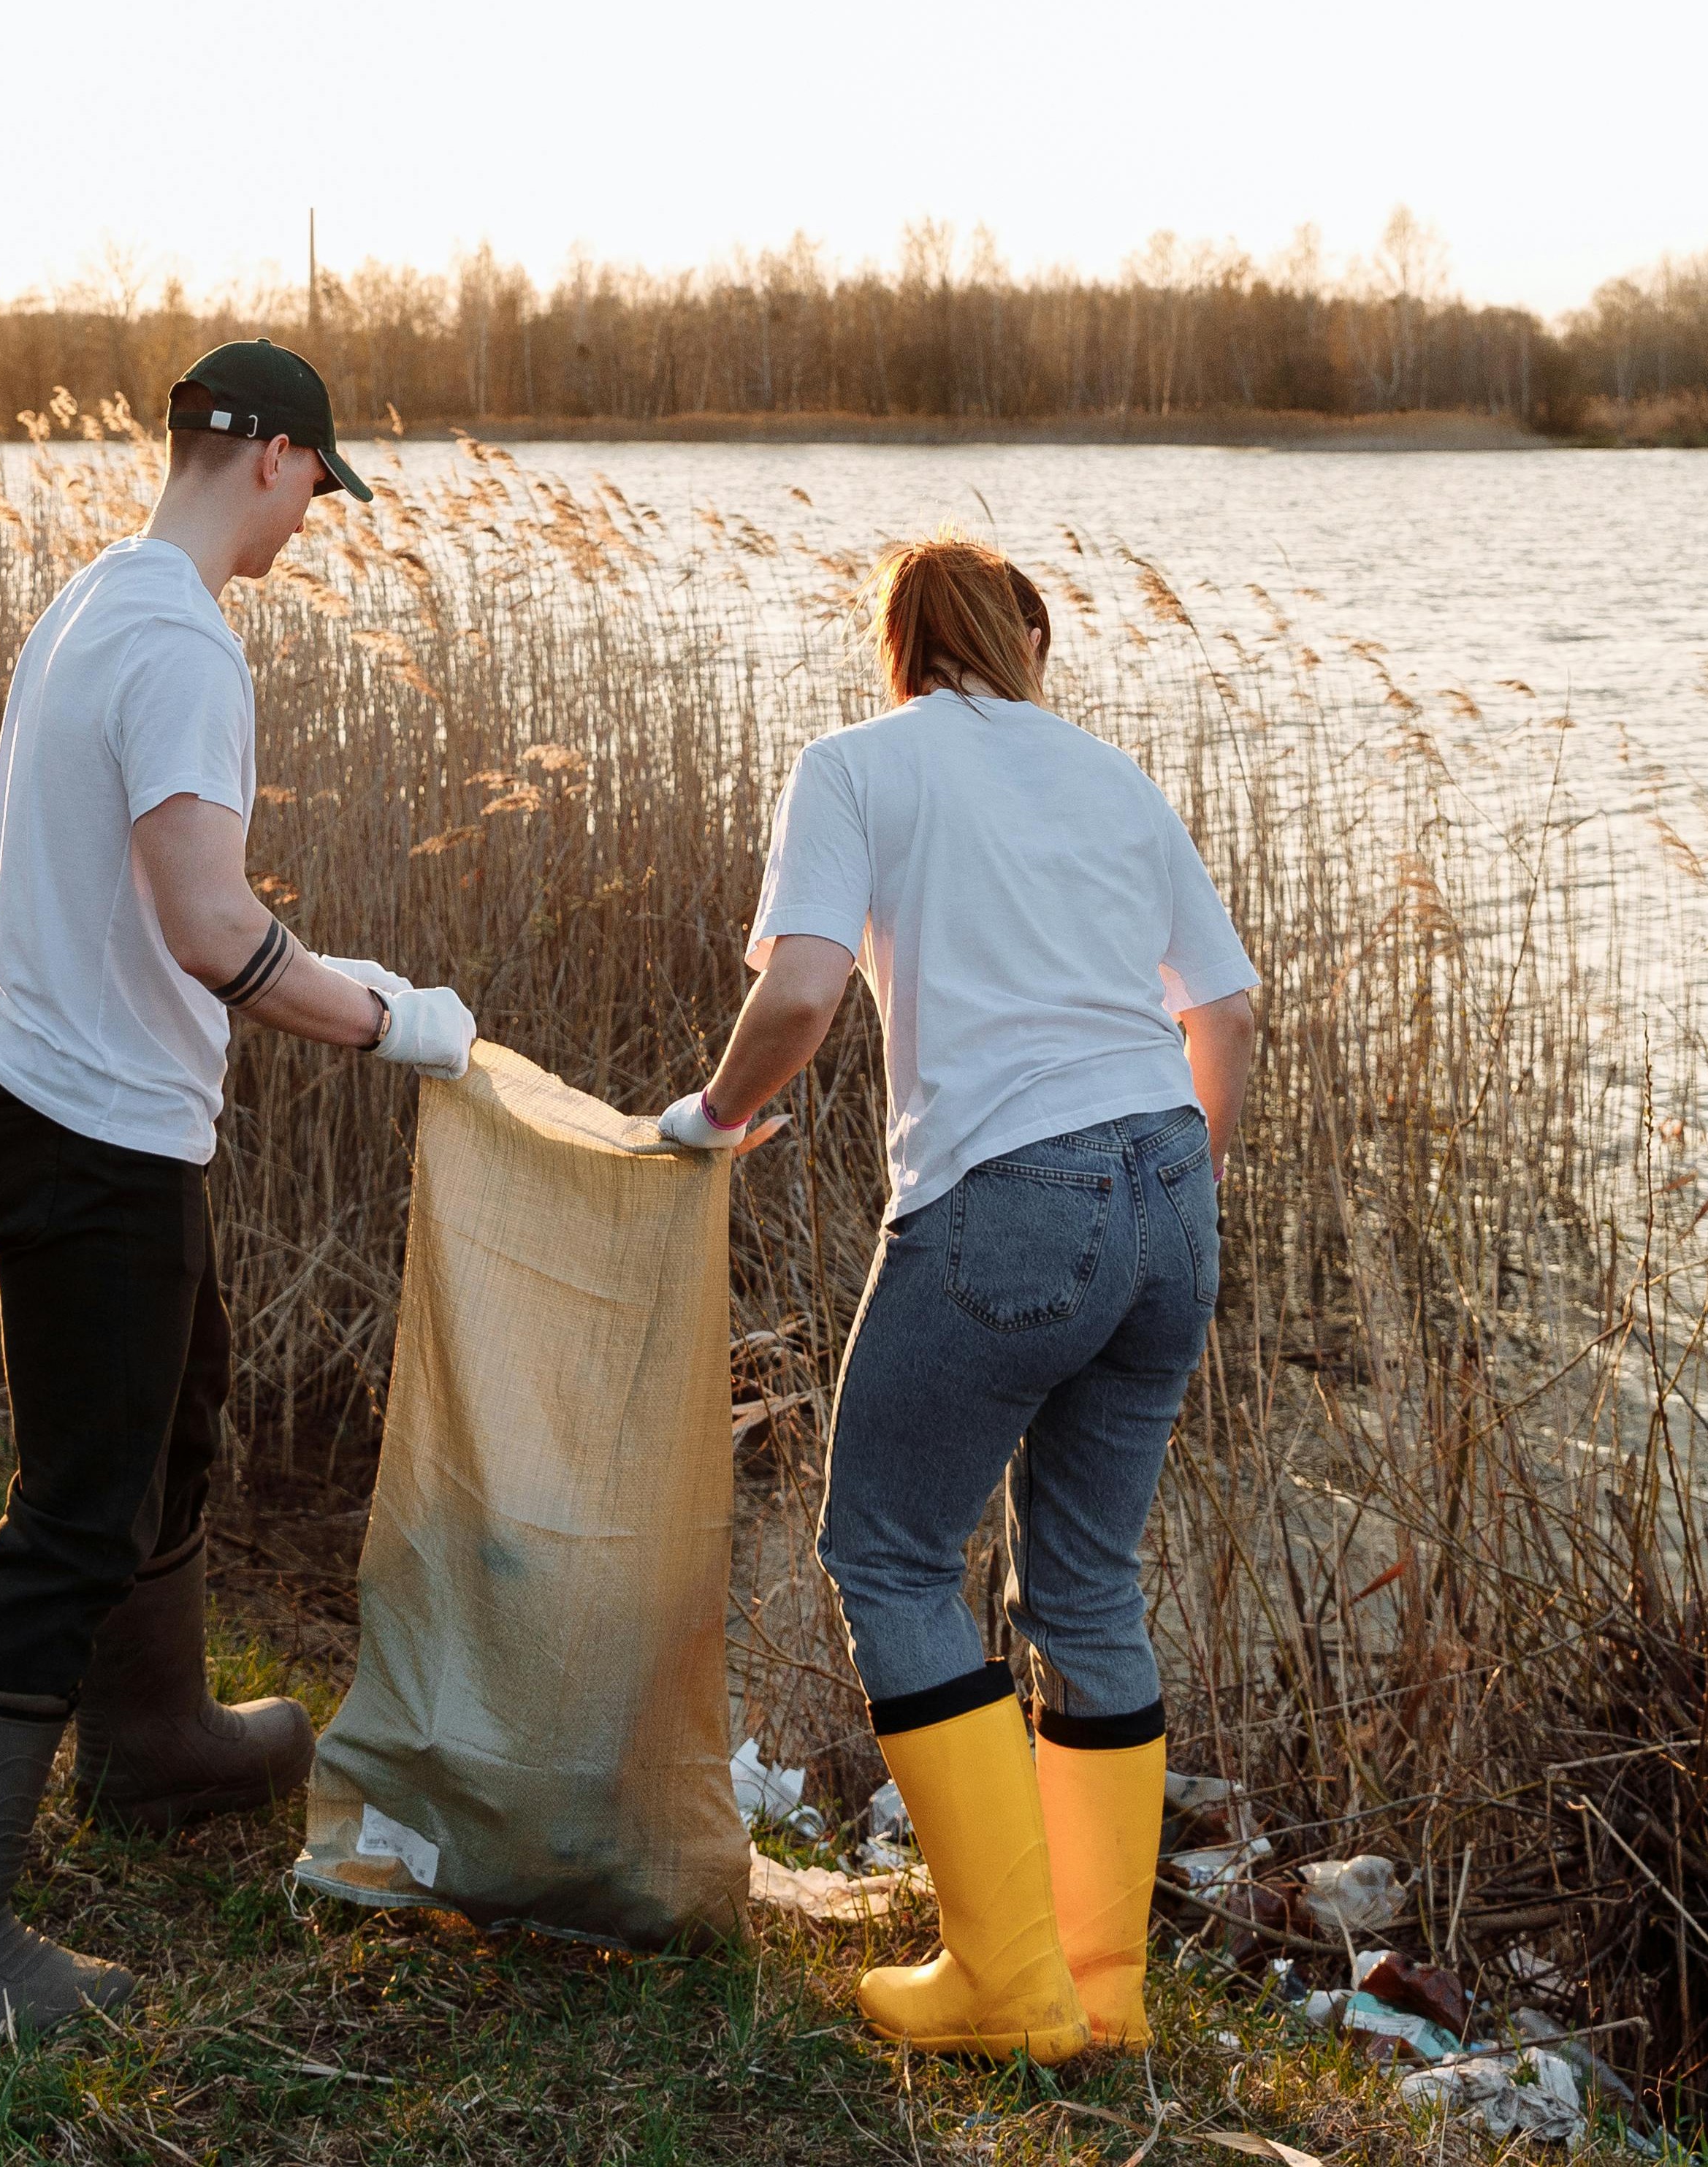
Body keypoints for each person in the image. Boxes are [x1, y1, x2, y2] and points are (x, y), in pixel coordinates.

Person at [0, 340, 479, 2049]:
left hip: (74, 1104)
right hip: (89, 1130)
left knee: (172, 1418)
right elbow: (210, 925)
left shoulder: (100, 598)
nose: (310, 520)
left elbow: (144, 900)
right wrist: (390, 1018)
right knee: (73, 1511)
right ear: (271, 456)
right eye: (316, 486)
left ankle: (154, 1743)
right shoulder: (184, 640)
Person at [660, 533, 1259, 2063]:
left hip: (1007, 1194)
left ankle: (1003, 1981)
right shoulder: (1111, 776)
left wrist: (714, 1116)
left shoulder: (856, 767)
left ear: (898, 646)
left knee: (887, 1553)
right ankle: (1100, 1988)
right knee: (1088, 1584)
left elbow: (801, 990)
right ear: (1022, 640)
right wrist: (1172, 1182)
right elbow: (1227, 1009)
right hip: (1169, 1185)